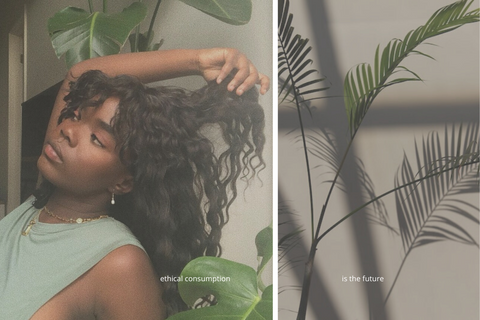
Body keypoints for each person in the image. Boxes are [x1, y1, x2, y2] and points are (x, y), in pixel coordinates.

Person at [0, 48, 270, 319]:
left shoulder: (120, 263)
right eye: (77, 115)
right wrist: (196, 61)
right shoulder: (39, 210)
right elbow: (78, 77)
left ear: (124, 181)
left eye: (97, 139)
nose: (67, 130)